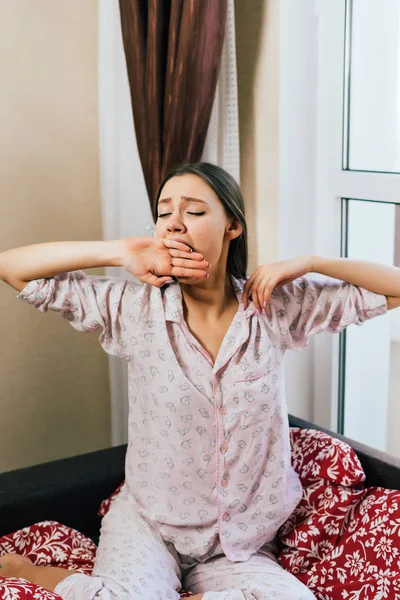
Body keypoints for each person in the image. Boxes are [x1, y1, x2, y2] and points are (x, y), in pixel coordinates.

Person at [0, 162, 399, 600]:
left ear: (232, 226)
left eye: (193, 211)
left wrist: (311, 262)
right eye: (164, 212)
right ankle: (31, 572)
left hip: (239, 547)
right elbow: (13, 268)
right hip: (150, 528)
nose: (173, 223)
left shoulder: (276, 308)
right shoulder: (133, 309)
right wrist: (119, 251)